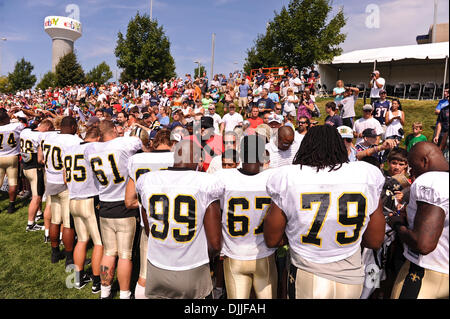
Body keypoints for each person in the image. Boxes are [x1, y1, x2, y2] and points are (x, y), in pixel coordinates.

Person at [264, 125, 386, 299]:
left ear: (305, 146)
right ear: (339, 146)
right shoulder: (366, 174)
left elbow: (272, 239)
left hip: (306, 273)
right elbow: (374, 241)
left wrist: (296, 234)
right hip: (351, 276)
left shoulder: (288, 176)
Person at [131, 140, 223, 299]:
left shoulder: (148, 180)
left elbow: (148, 229)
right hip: (191, 267)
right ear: (196, 157)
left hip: (157, 265)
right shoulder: (205, 182)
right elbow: (215, 243)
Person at [84, 120, 142, 299]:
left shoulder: (90, 150)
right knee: (125, 255)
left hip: (105, 204)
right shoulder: (124, 142)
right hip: (124, 204)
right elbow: (138, 141)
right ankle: (125, 294)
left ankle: (105, 291)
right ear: (115, 130)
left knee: (109, 252)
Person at [214, 135, 277, 299]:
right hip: (264, 255)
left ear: (241, 155)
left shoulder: (223, 177)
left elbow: (216, 213)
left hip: (234, 254)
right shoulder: (273, 178)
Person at [388, 142, 448, 299]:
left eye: (412, 166)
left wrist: (397, 223)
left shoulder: (431, 180)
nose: (411, 172)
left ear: (425, 161)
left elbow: (423, 244)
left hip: (424, 272)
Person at [124, 129, 174, 299]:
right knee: (174, 272)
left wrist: (150, 204)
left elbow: (129, 201)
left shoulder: (136, 160)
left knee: (144, 273)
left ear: (153, 143)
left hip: (148, 225)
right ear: (173, 143)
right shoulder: (178, 160)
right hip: (175, 226)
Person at [62, 126, 103, 292]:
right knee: (99, 243)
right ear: (98, 138)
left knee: (82, 239)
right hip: (89, 199)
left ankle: (78, 279)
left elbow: (65, 177)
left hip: (73, 198)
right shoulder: (93, 148)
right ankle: (97, 281)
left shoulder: (70, 148)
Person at [39, 116, 83, 265]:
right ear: (72, 127)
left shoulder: (50, 137)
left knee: (55, 219)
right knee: (68, 221)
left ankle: (55, 253)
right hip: (65, 183)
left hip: (51, 180)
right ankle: (70, 257)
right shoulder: (74, 140)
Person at [20, 119, 53, 231]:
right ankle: (30, 224)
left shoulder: (25, 131)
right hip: (35, 167)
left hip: (25, 166)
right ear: (48, 128)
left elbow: (30, 127)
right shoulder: (41, 136)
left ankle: (38, 213)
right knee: (37, 197)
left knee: (36, 193)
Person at [0, 111, 25, 213]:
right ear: (6, 118)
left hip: (0, 156)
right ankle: (11, 205)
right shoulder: (16, 126)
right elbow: (24, 123)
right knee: (12, 181)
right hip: (12, 156)